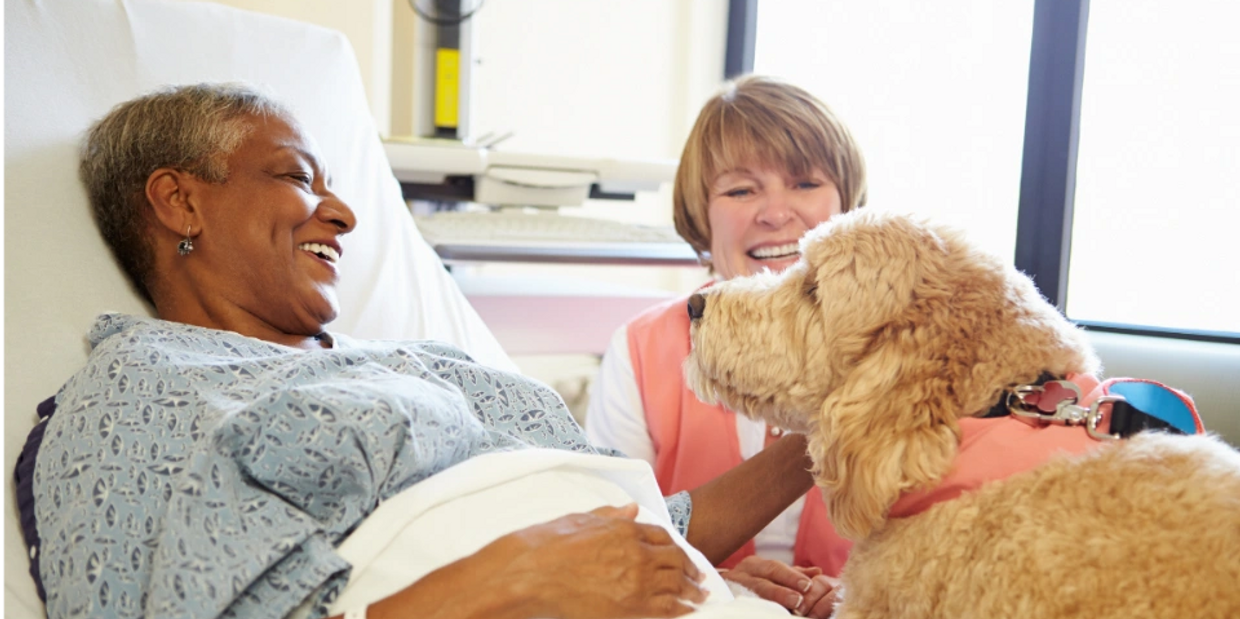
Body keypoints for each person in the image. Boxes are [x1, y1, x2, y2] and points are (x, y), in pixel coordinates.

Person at [16, 83, 836, 619]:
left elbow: (661, 521)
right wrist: (509, 582)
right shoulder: (136, 389)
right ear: (180, 200)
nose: (342, 214)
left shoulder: (418, 361)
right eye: (299, 177)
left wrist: (848, 419)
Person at [586, 74, 867, 617]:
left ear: (847, 201)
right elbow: (612, 542)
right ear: (700, 214)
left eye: (805, 183)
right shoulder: (642, 350)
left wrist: (860, 592)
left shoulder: (898, 344)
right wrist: (722, 584)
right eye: (741, 190)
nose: (776, 212)